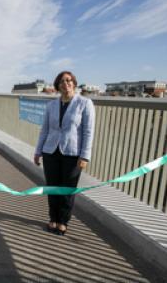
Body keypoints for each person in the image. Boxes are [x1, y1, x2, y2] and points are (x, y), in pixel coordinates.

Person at [33, 71, 95, 235]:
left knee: (67, 190)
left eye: (69, 80)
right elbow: (44, 130)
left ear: (74, 83)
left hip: (73, 153)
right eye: (61, 81)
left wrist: (84, 156)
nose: (65, 83)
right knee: (52, 188)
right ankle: (52, 218)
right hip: (50, 152)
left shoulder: (85, 103)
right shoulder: (51, 105)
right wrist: (38, 151)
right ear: (58, 86)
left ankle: (63, 221)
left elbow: (88, 132)